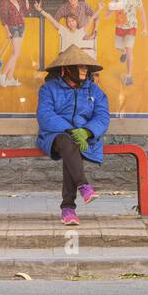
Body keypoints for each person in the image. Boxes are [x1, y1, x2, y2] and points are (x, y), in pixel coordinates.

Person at [36, 45, 111, 226]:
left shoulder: (94, 91)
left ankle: (68, 209)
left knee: (72, 148)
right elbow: (45, 115)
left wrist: (86, 132)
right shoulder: (48, 89)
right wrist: (70, 130)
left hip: (86, 138)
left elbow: (102, 116)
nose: (84, 70)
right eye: (80, 66)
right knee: (68, 142)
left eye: (86, 67)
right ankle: (82, 187)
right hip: (54, 136)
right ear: (66, 69)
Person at [110, 0, 148, 86]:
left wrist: (145, 27)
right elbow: (110, 9)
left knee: (130, 49)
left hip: (131, 27)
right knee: (119, 46)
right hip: (120, 26)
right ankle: (123, 52)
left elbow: (142, 13)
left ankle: (129, 75)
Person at [0, 0, 30, 87]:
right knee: (15, 53)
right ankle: (2, 74)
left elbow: (25, 11)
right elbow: (3, 18)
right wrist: (7, 31)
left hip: (21, 27)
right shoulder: (5, 3)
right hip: (13, 28)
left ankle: (10, 78)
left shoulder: (19, 0)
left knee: (16, 53)